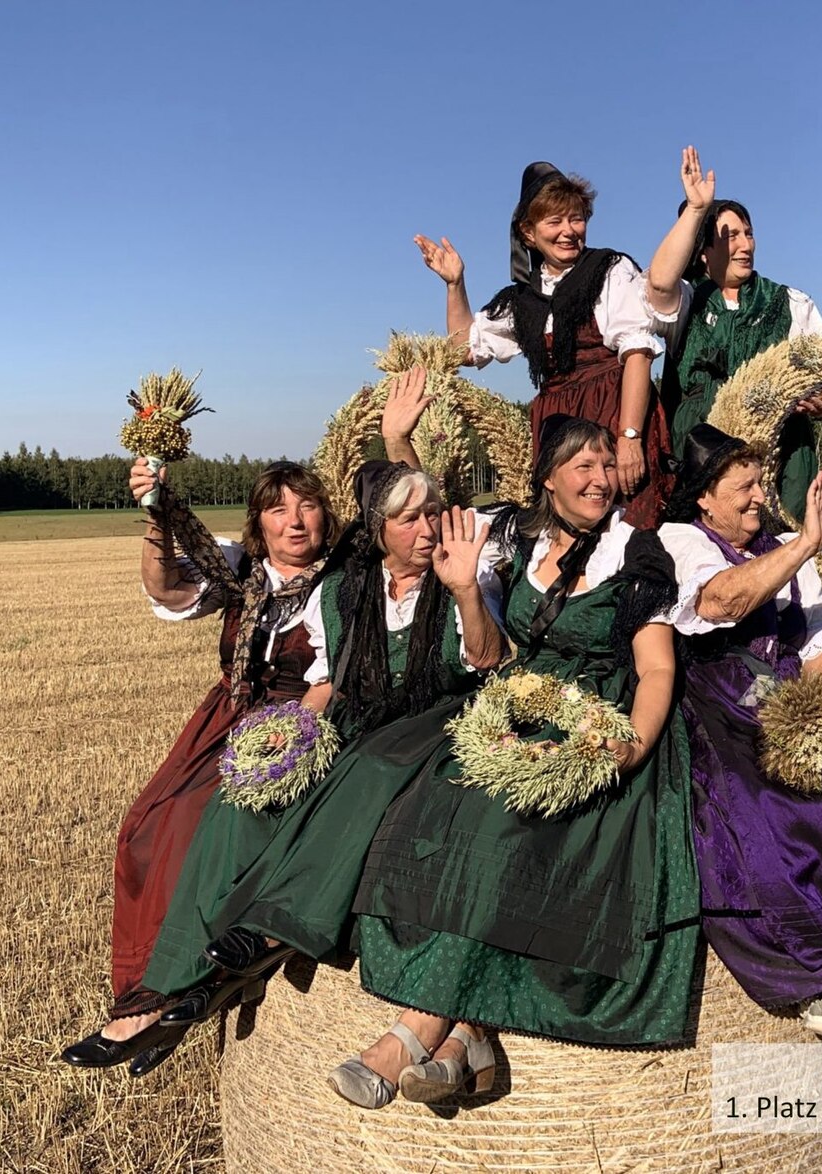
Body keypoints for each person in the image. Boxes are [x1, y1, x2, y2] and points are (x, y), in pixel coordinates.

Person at [59, 373, 428, 1074]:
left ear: (327, 516)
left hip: (304, 721)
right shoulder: (240, 573)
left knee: (201, 819)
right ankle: (145, 993)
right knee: (145, 824)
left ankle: (176, 991)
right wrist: (155, 513)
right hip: (227, 720)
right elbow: (167, 586)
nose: (295, 521)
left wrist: (398, 442)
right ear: (257, 523)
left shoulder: (349, 576)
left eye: (309, 507)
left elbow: (419, 521)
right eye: (278, 510)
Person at [327, 415, 696, 1110]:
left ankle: (415, 1030)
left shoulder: (636, 554)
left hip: (602, 722)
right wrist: (465, 587)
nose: (597, 478)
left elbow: (654, 672)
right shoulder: (513, 543)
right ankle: (469, 1038)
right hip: (520, 707)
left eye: (603, 465)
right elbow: (490, 649)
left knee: (511, 830)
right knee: (441, 803)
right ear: (547, 478)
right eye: (580, 466)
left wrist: (628, 750)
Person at [132, 455, 506, 1069]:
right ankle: (179, 976)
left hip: (434, 722)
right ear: (378, 528)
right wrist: (293, 732)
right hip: (334, 714)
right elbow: (329, 680)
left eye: (432, 515)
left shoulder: (463, 574)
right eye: (408, 519)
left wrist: (463, 587)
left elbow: (487, 660)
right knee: (241, 794)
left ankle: (277, 928)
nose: (426, 530)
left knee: (372, 769)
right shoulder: (340, 588)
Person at [657, 423, 822, 1041]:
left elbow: (819, 637)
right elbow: (721, 603)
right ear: (705, 498)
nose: (760, 496)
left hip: (783, 695)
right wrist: (805, 545)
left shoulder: (784, 543)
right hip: (719, 699)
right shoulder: (679, 539)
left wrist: (813, 716)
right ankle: (816, 966)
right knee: (757, 801)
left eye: (761, 482)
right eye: (745, 486)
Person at [415, 163, 672, 526]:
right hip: (557, 427)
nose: (569, 231)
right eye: (555, 222)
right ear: (528, 232)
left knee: (629, 522)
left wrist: (630, 437)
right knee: (567, 530)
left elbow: (637, 352)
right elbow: (464, 351)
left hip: (614, 410)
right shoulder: (522, 299)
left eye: (577, 219)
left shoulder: (609, 270)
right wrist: (455, 285)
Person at [646, 147, 822, 521]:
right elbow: (657, 283)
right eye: (730, 235)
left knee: (781, 560)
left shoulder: (790, 303)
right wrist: (697, 210)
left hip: (781, 464)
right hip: (702, 462)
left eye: (749, 233)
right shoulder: (686, 302)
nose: (746, 245)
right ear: (703, 250)